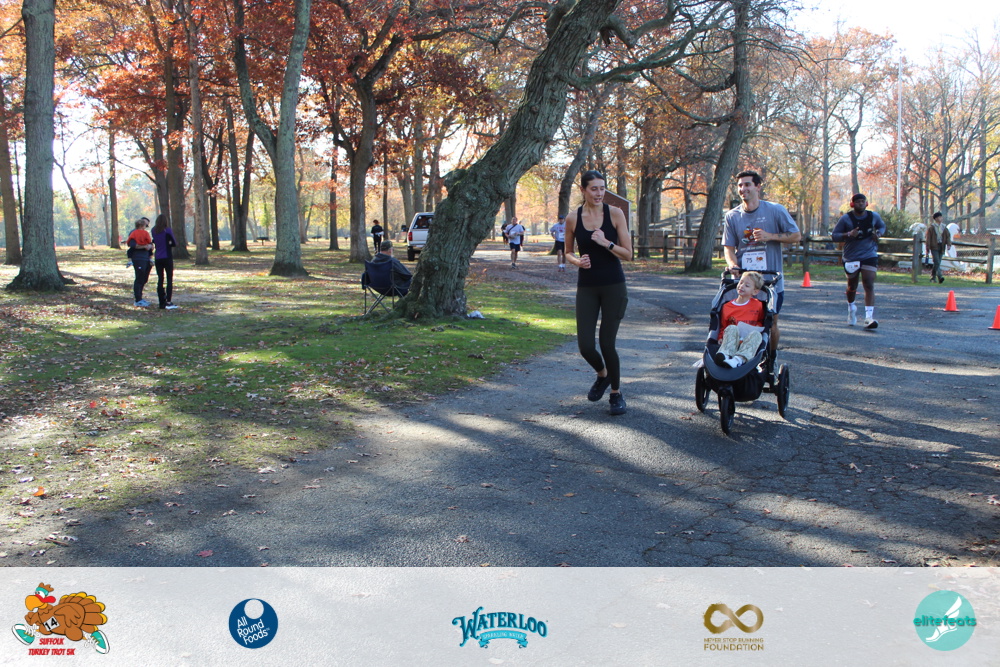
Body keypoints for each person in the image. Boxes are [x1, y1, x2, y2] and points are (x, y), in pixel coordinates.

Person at [565, 170, 633, 416]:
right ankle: (603, 375)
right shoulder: (573, 218)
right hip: (587, 286)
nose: (599, 193)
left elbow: (629, 254)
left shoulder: (615, 214)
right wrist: (577, 262)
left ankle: (616, 393)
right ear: (583, 190)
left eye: (602, 188)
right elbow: (567, 251)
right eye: (594, 188)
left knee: (607, 343)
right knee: (585, 345)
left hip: (614, 285)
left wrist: (607, 243)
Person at [722, 170, 801, 352]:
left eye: (747, 184)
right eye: (740, 185)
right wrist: (733, 264)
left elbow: (796, 235)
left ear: (757, 187)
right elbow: (729, 248)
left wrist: (770, 236)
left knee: (770, 322)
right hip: (744, 281)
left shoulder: (775, 210)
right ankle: (739, 356)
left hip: (770, 280)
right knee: (739, 320)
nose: (743, 189)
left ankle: (771, 359)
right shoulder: (732, 216)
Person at [831, 194, 885, 329]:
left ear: (866, 203)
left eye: (863, 201)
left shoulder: (873, 216)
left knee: (868, 282)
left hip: (869, 254)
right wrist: (848, 234)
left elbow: (882, 226)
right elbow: (834, 236)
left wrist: (878, 234)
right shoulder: (846, 219)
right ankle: (851, 308)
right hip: (851, 256)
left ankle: (869, 318)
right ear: (852, 204)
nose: (860, 204)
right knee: (852, 286)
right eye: (858, 202)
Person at [714, 271, 766, 368]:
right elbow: (723, 325)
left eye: (747, 285)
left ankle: (738, 360)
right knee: (732, 328)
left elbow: (761, 321)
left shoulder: (758, 305)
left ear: (755, 292)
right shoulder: (727, 306)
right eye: (741, 282)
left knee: (757, 334)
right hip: (732, 340)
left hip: (748, 339)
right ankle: (725, 355)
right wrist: (720, 337)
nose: (741, 286)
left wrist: (758, 326)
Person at [150, 214, 178, 310]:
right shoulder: (167, 230)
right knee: (169, 279)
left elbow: (155, 240)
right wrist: (169, 243)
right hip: (167, 256)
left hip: (158, 257)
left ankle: (161, 301)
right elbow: (174, 243)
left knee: (160, 279)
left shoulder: (153, 230)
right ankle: (168, 301)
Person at [126, 218, 154, 307]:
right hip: (138, 258)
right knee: (139, 278)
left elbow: (150, 243)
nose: (146, 226)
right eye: (145, 225)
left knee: (144, 278)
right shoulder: (134, 233)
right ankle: (138, 299)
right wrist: (145, 246)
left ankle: (140, 298)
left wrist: (150, 246)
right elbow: (133, 246)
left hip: (146, 258)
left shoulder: (146, 234)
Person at [926, 212, 950, 283]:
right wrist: (928, 247)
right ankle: (940, 276)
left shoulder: (944, 227)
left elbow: (948, 236)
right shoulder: (931, 228)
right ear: (936, 218)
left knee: (938, 263)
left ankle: (933, 277)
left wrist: (949, 244)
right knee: (936, 261)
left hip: (942, 246)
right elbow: (928, 238)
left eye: (941, 217)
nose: (941, 218)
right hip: (934, 246)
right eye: (939, 217)